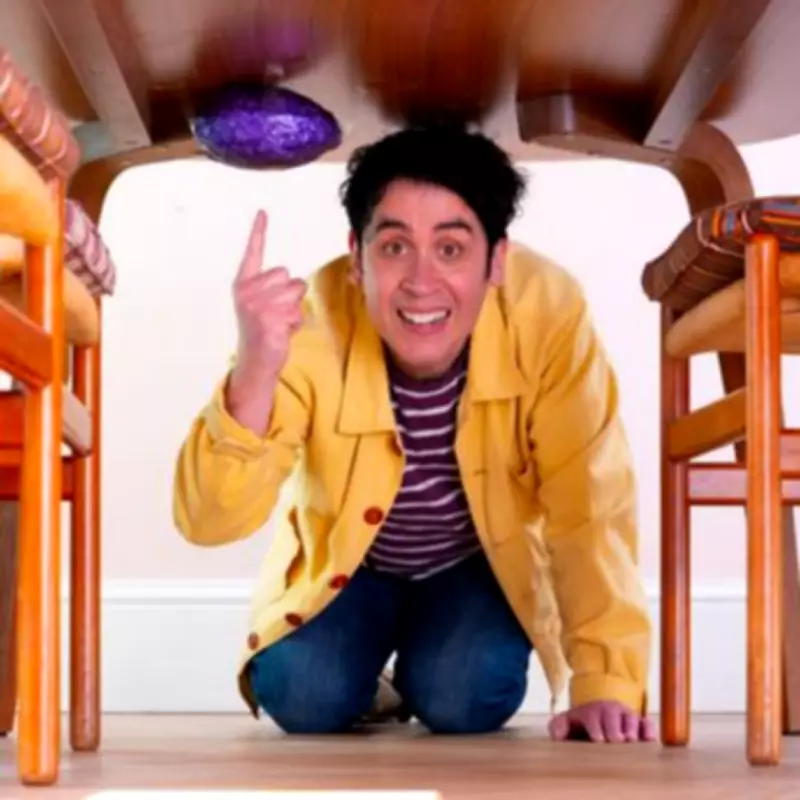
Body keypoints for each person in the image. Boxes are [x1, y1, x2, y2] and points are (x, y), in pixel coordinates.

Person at [172, 125, 654, 744]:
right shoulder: (308, 323)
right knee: (300, 694)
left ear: (497, 260)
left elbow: (589, 503)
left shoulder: (549, 310)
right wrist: (255, 370)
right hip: (352, 570)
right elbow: (208, 522)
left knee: (466, 699)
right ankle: (375, 684)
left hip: (474, 567)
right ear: (357, 257)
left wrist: (606, 682)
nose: (421, 281)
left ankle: (428, 669)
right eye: (395, 247)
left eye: (451, 249)